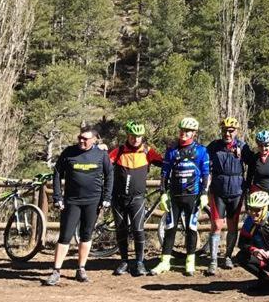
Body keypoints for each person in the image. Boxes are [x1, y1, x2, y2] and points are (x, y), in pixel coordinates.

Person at [44, 124, 113, 286]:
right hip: (72, 201)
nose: (82, 141)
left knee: (86, 235)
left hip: (93, 201)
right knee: (65, 236)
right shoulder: (69, 152)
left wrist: (107, 197)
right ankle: (56, 270)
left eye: (86, 139)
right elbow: (57, 173)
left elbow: (110, 175)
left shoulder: (101, 155)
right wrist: (57, 196)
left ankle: (81, 268)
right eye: (80, 138)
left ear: (94, 140)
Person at [151, 117, 211, 276]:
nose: (183, 133)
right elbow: (164, 173)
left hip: (193, 195)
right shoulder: (171, 150)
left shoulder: (201, 151)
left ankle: (190, 262)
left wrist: (204, 193)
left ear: (194, 133)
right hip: (174, 196)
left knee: (191, 228)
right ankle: (164, 262)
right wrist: (163, 193)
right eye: (182, 130)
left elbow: (205, 174)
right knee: (169, 228)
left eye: (187, 131)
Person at [107, 120, 164, 277]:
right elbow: (104, 164)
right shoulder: (118, 152)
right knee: (121, 230)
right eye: (133, 136)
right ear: (128, 135)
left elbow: (165, 163)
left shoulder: (147, 151)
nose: (136, 139)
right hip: (118, 199)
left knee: (138, 230)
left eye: (139, 136)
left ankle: (139, 262)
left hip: (137, 198)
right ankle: (124, 261)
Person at [206, 116, 247, 275]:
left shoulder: (243, 147)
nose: (227, 134)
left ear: (236, 131)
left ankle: (228, 256)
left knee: (232, 226)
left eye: (230, 131)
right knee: (216, 225)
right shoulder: (214, 146)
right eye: (224, 131)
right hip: (218, 191)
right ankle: (213, 260)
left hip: (236, 191)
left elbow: (257, 160)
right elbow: (200, 156)